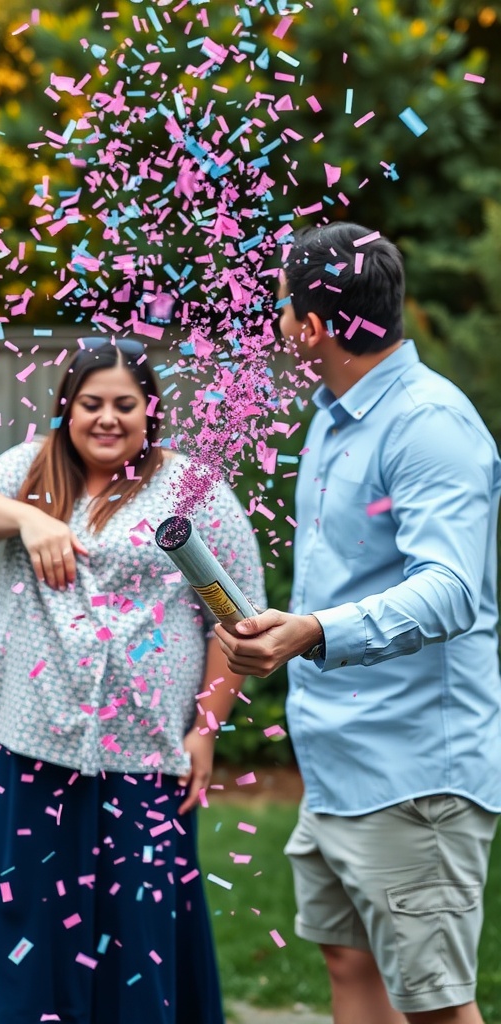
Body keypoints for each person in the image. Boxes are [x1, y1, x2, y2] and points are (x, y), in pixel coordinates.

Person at [0, 338, 265, 1024]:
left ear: (150, 412)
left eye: (124, 404)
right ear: (67, 408)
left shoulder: (190, 489)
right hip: (24, 741)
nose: (107, 419)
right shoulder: (36, 469)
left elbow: (235, 618)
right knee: (21, 915)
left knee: (133, 928)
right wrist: (28, 518)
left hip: (142, 748)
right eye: (91, 404)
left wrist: (205, 731)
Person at [216, 222, 501, 1024]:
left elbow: (450, 593)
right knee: (349, 960)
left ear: (311, 327)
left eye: (281, 308)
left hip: (414, 770)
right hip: (340, 757)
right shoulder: (336, 415)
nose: (275, 322)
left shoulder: (429, 425)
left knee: (437, 1004)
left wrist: (312, 631)